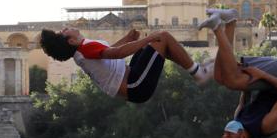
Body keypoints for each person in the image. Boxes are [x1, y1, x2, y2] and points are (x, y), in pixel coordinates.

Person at [198, 8, 277, 138]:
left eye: (224, 134)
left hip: (266, 82)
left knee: (219, 77)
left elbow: (246, 92)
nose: (225, 131)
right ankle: (217, 27)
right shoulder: (266, 126)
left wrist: (233, 67)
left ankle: (230, 21)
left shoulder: (239, 119)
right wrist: (262, 75)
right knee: (231, 81)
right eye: (229, 135)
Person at [40, 27, 213, 103]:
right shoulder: (84, 49)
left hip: (133, 79)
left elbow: (110, 51)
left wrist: (129, 39)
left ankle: (195, 68)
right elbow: (119, 53)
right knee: (162, 36)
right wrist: (148, 38)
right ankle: (199, 73)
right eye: (63, 32)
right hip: (136, 85)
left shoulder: (83, 51)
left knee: (155, 45)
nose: (65, 28)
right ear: (71, 40)